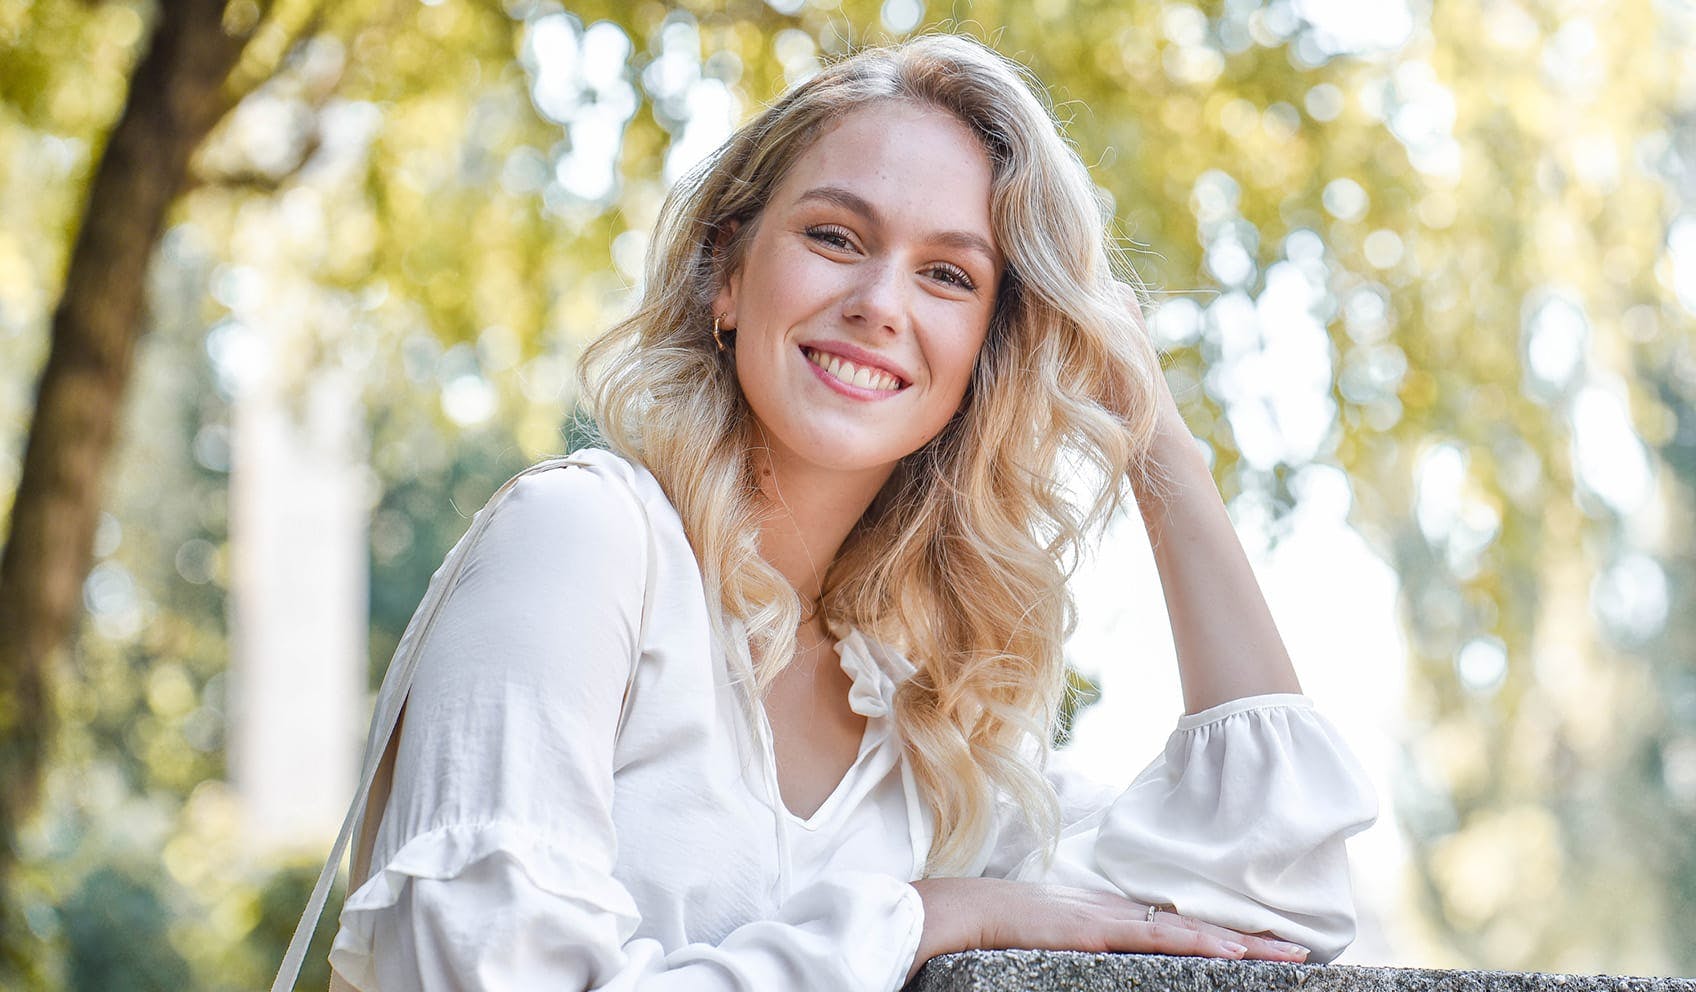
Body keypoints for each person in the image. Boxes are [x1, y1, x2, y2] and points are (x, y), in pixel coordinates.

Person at [273, 31, 1377, 992]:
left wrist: (1155, 437)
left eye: (949, 277)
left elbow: (1273, 892)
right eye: (835, 237)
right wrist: (918, 917)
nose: (879, 304)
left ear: (983, 358)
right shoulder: (584, 543)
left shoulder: (934, 734)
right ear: (725, 272)